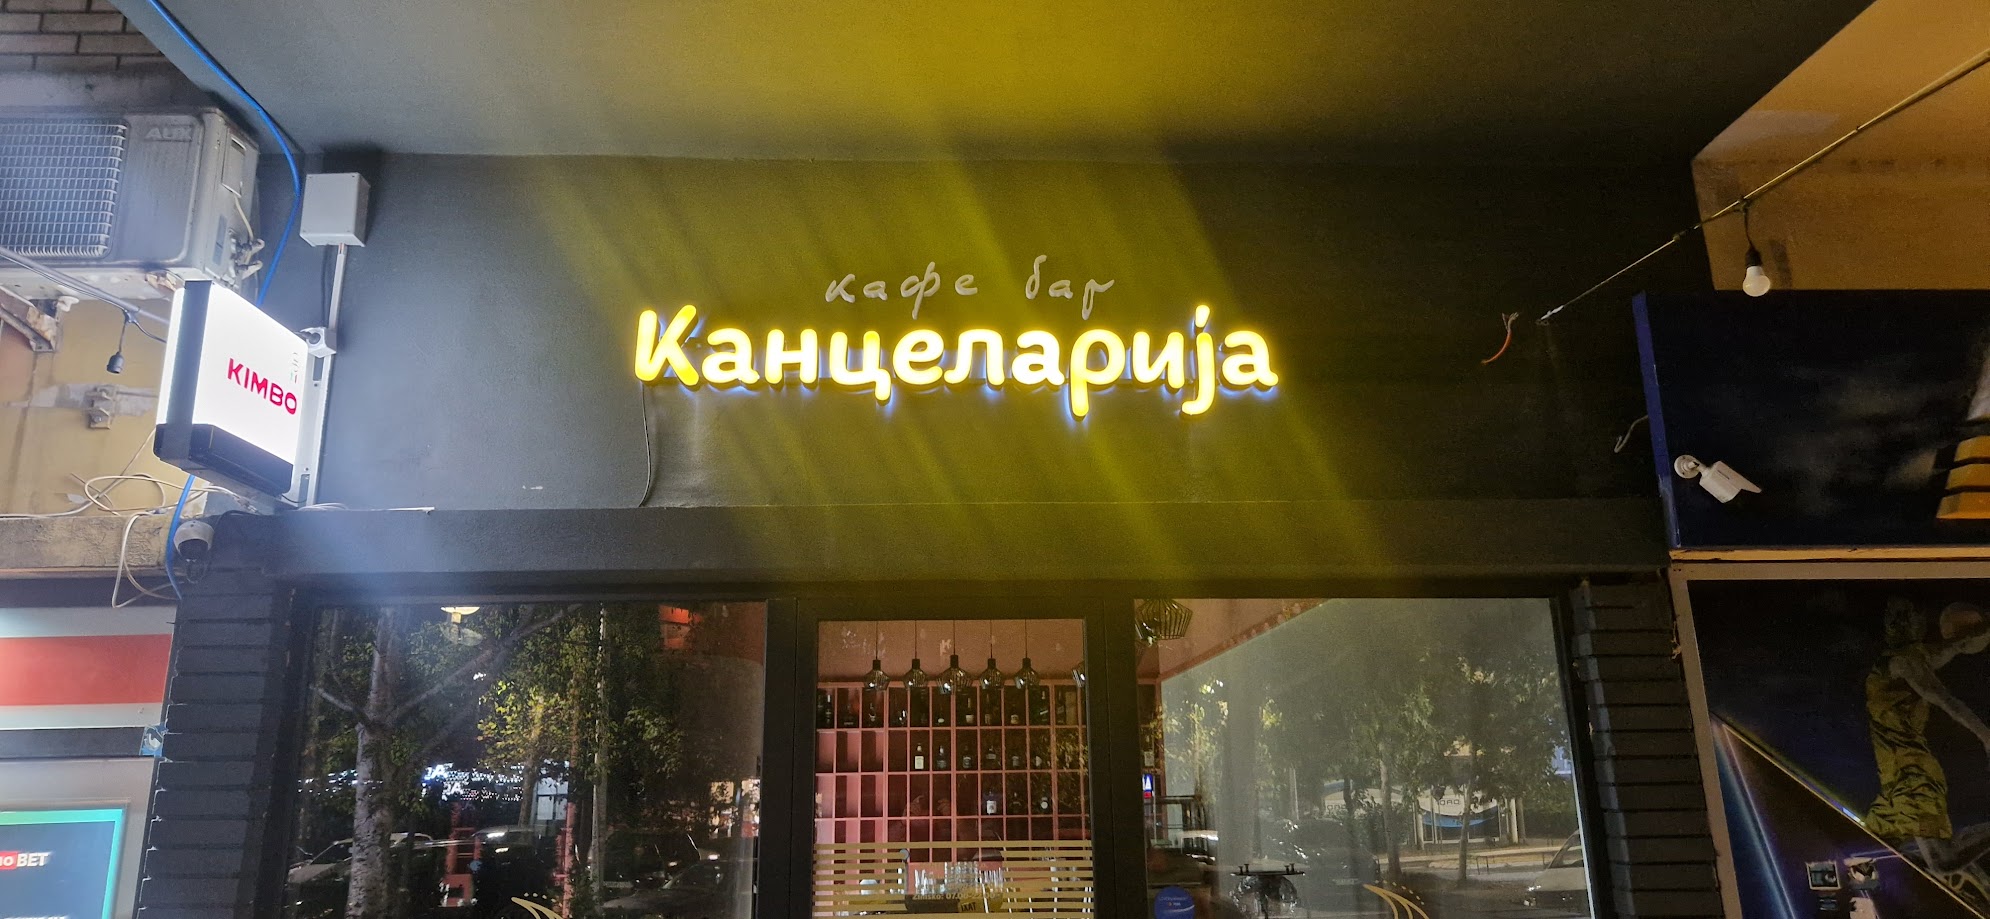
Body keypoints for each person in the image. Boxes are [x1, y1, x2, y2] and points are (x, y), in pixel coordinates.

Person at [1864, 599, 1990, 892]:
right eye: (1894, 618)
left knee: (1941, 860)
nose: (1897, 624)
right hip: (1896, 776)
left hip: (1912, 773)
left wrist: (1985, 735)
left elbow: (1942, 688)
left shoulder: (1907, 659)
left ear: (1916, 625)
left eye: (1905, 617)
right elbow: (1944, 665)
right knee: (1880, 845)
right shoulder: (1902, 660)